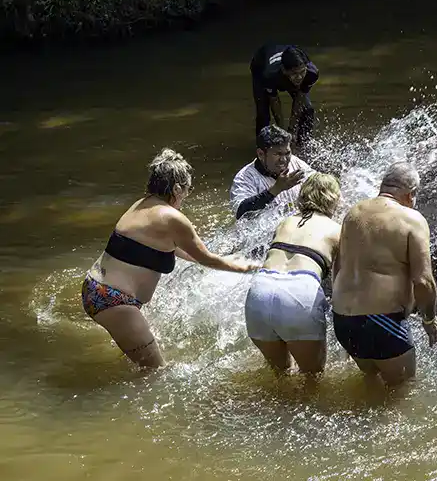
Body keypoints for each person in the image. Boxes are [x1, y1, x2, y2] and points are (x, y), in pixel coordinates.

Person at [81, 149, 258, 368]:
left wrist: (221, 259)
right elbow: (206, 258)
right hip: (115, 301)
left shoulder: (140, 205)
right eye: (187, 189)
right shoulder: (172, 218)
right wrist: (243, 268)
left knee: (144, 359)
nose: (186, 195)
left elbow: (171, 249)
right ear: (176, 188)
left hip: (95, 289)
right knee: (156, 373)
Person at [331, 161, 437, 387]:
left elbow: (338, 266)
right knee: (401, 395)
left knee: (370, 384)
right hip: (382, 322)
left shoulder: (353, 213)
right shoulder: (412, 219)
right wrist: (429, 319)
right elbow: (423, 281)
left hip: (342, 320)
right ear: (411, 195)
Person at [244, 173, 342, 375]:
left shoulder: (285, 223)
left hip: (260, 290)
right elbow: (340, 282)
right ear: (333, 198)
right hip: (300, 292)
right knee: (312, 377)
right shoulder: (337, 230)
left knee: (279, 375)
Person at [230, 125, 315, 220]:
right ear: (261, 154)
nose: (283, 160)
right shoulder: (245, 178)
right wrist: (276, 189)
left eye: (287, 153)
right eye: (277, 154)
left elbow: (317, 182)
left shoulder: (295, 163)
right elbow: (240, 213)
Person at [250, 42, 320, 146]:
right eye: (294, 73)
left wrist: (292, 129)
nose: (300, 77)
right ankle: (262, 148)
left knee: (307, 109)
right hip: (260, 66)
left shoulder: (311, 73)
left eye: (302, 72)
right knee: (263, 113)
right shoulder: (269, 75)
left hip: (284, 67)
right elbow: (274, 101)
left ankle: (303, 145)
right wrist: (282, 131)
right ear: (284, 70)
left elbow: (299, 99)